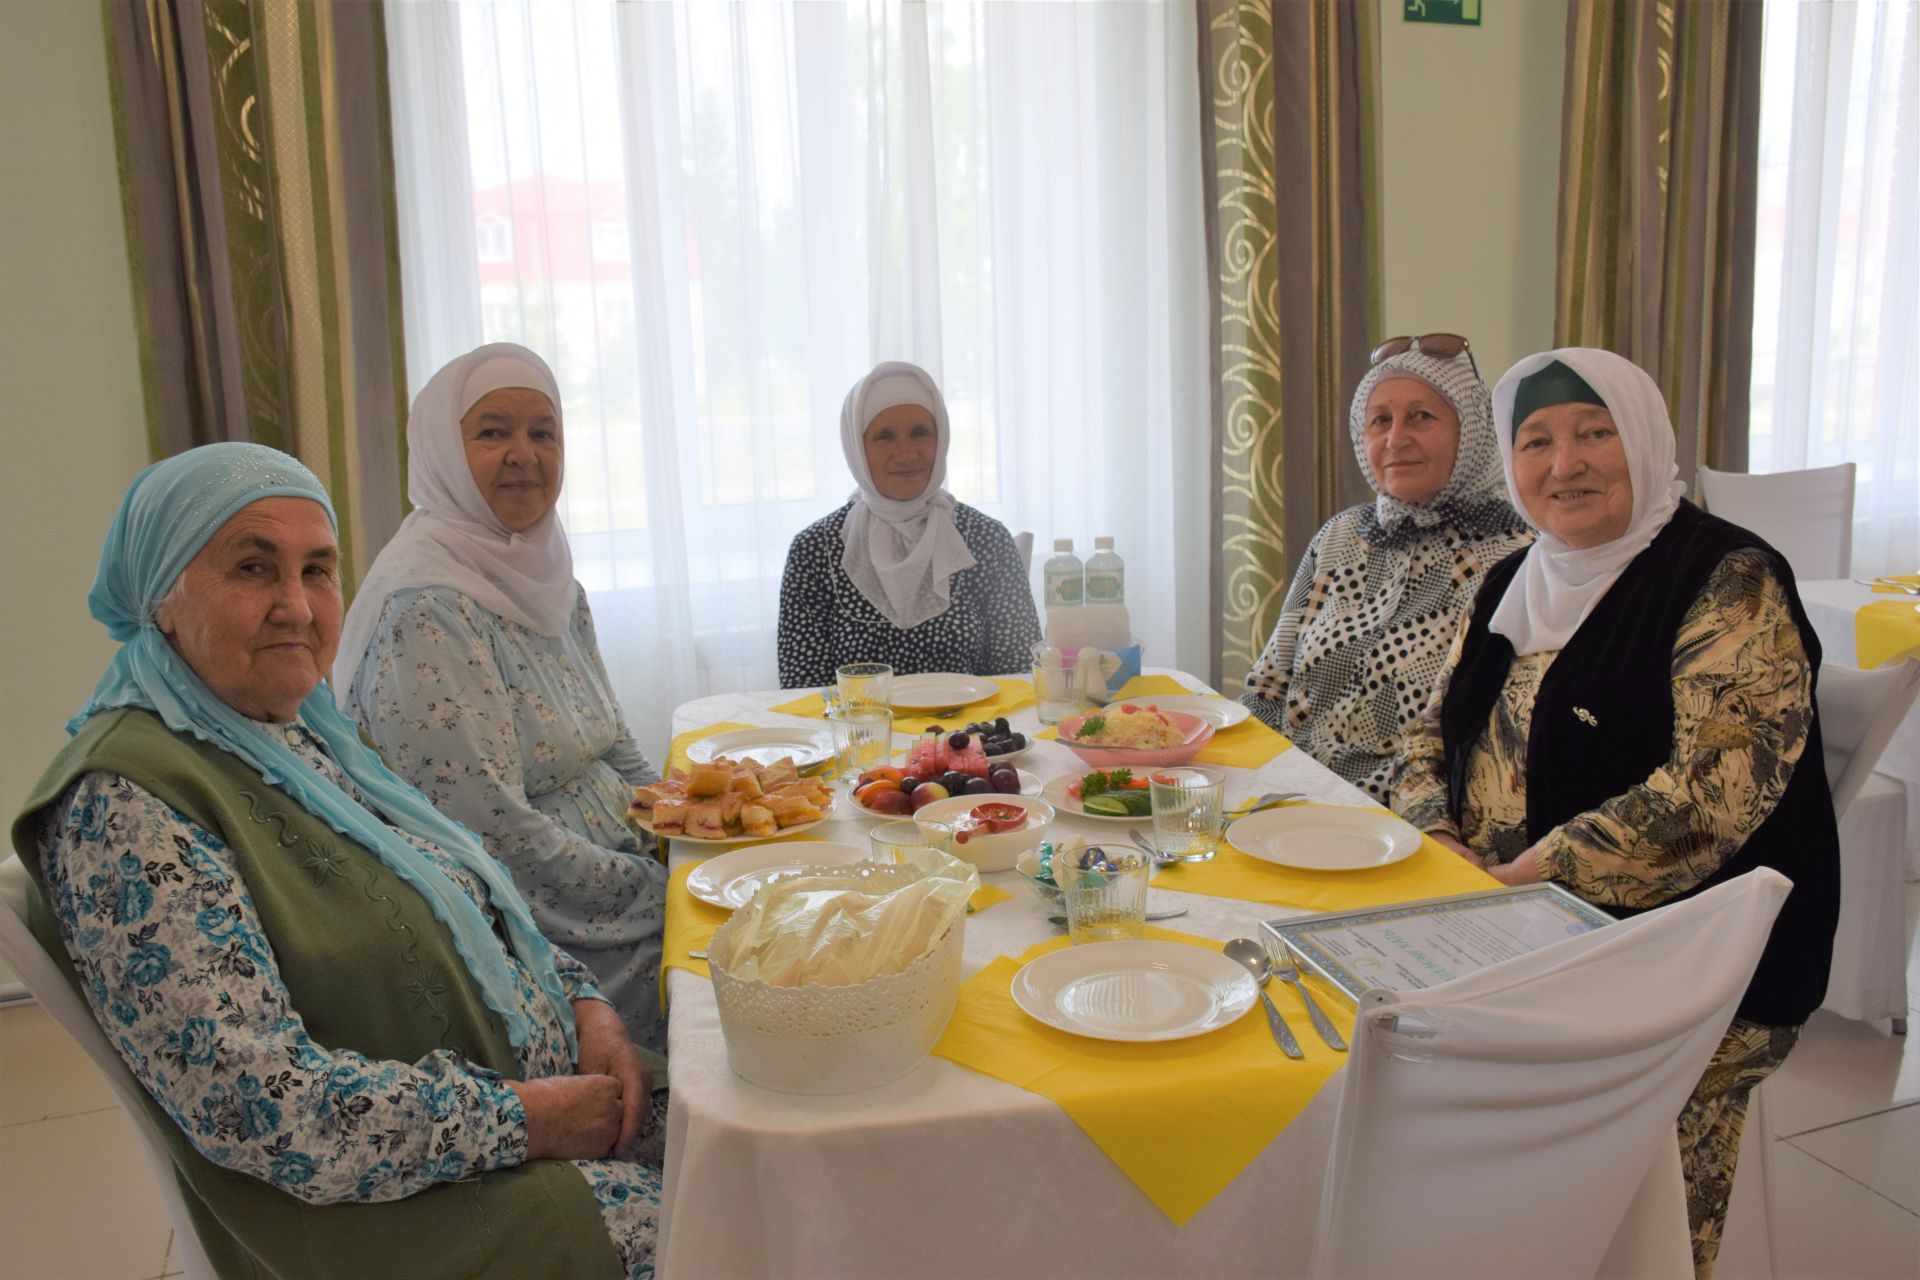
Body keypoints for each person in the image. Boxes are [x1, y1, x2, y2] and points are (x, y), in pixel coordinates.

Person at [11, 444, 665, 1279]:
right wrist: (528, 1121)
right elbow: (264, 1111)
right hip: (389, 1212)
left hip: (527, 1110)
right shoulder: (127, 804)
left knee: (760, 1125)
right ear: (161, 597)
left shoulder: (306, 734)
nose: (295, 605)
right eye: (253, 568)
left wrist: (586, 1011)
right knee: (733, 1215)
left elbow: (475, 898)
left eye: (317, 570)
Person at [1391, 348, 1840, 1278]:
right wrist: (1437, 842)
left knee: (1440, 1076)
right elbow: (1427, 732)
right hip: (1502, 919)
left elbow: (1714, 798)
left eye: (1597, 433)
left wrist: (1524, 880)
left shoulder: (1729, 579)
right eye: (1538, 440)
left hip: (1682, 950)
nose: (1568, 464)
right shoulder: (1514, 576)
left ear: (1644, 438)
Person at [335, 344, 667, 1052]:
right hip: (538, 931)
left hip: (616, 874)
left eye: (542, 432)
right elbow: (491, 838)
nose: (524, 454)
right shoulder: (426, 613)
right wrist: (663, 891)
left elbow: (614, 741)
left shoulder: (545, 574)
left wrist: (684, 829)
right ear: (442, 454)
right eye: (493, 432)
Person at [1242, 335, 1533, 800]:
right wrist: (1244, 783)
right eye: (1380, 420)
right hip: (1284, 796)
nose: (1396, 439)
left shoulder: (1518, 559)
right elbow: (1268, 683)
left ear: (1473, 429)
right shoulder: (1341, 537)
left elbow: (1491, 746)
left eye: (1422, 416)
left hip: (1410, 819)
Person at [777, 360, 1041, 688]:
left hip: (969, 737)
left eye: (920, 432)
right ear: (858, 448)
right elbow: (801, 690)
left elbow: (1018, 675)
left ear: (941, 437)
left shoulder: (986, 539)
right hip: (861, 737)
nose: (905, 453)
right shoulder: (815, 549)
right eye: (883, 436)